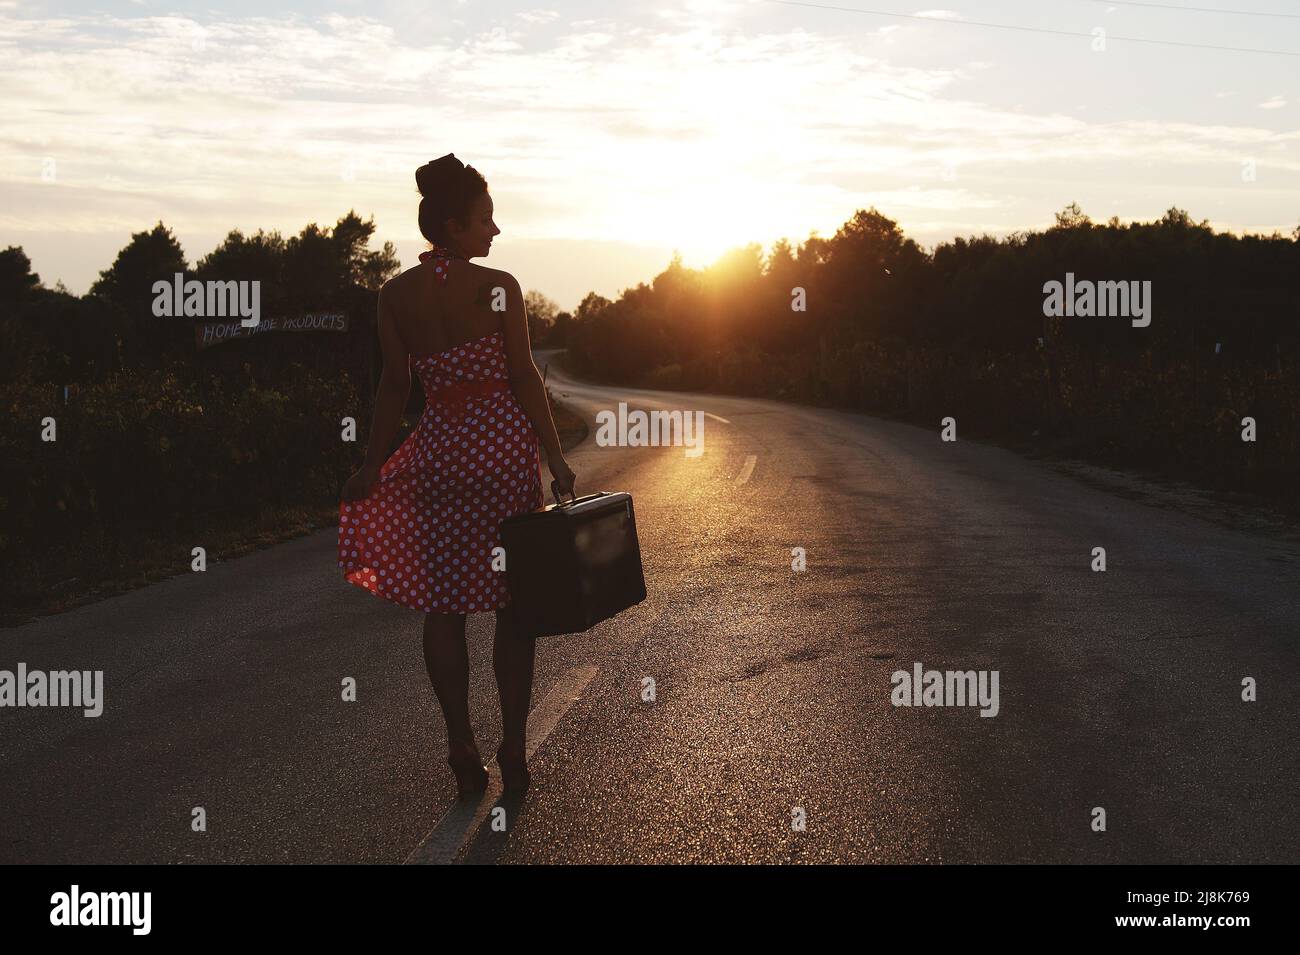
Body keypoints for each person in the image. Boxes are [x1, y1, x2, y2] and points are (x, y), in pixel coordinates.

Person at [338, 153, 576, 798]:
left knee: (444, 608)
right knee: (513, 608)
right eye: (484, 219)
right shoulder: (499, 286)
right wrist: (555, 458)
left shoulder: (393, 295)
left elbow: (394, 387)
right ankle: (515, 746)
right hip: (500, 457)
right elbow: (524, 376)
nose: (494, 231)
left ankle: (460, 742)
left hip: (440, 457)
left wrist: (371, 463)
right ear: (453, 224)